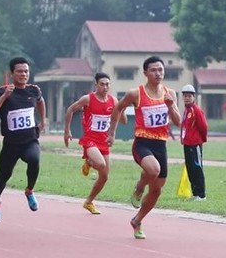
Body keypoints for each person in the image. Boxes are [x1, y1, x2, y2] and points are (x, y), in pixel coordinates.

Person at [107, 55, 181, 239]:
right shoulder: (136, 93)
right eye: (154, 70)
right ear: (145, 73)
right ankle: (139, 187)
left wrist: (171, 106)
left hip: (160, 145)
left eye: (161, 70)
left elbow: (179, 121)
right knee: (153, 170)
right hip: (142, 143)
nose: (158, 73)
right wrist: (112, 133)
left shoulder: (170, 93)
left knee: (157, 190)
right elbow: (118, 108)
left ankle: (137, 220)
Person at [0, 57, 46, 226]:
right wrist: (5, 96)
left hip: (30, 140)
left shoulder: (33, 90)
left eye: (26, 71)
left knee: (34, 160)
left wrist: (43, 120)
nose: (23, 74)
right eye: (20, 71)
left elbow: (41, 102)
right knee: (3, 177)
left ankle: (29, 191)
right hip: (11, 144)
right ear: (12, 73)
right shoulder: (1, 91)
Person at [64, 72, 127, 214]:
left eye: (107, 84)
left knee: (104, 177)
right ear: (96, 85)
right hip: (90, 140)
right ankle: (89, 161)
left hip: (104, 141)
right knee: (100, 164)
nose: (105, 87)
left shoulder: (113, 101)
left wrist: (121, 107)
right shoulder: (88, 99)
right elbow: (70, 110)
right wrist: (67, 131)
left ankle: (89, 202)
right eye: (102, 84)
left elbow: (123, 121)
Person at [179, 84, 208, 200]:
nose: (187, 98)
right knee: (190, 169)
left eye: (189, 96)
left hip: (195, 144)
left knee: (197, 168)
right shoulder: (186, 110)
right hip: (187, 144)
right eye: (185, 96)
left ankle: (201, 195)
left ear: (194, 97)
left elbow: (204, 126)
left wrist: (200, 140)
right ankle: (195, 193)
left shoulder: (197, 111)